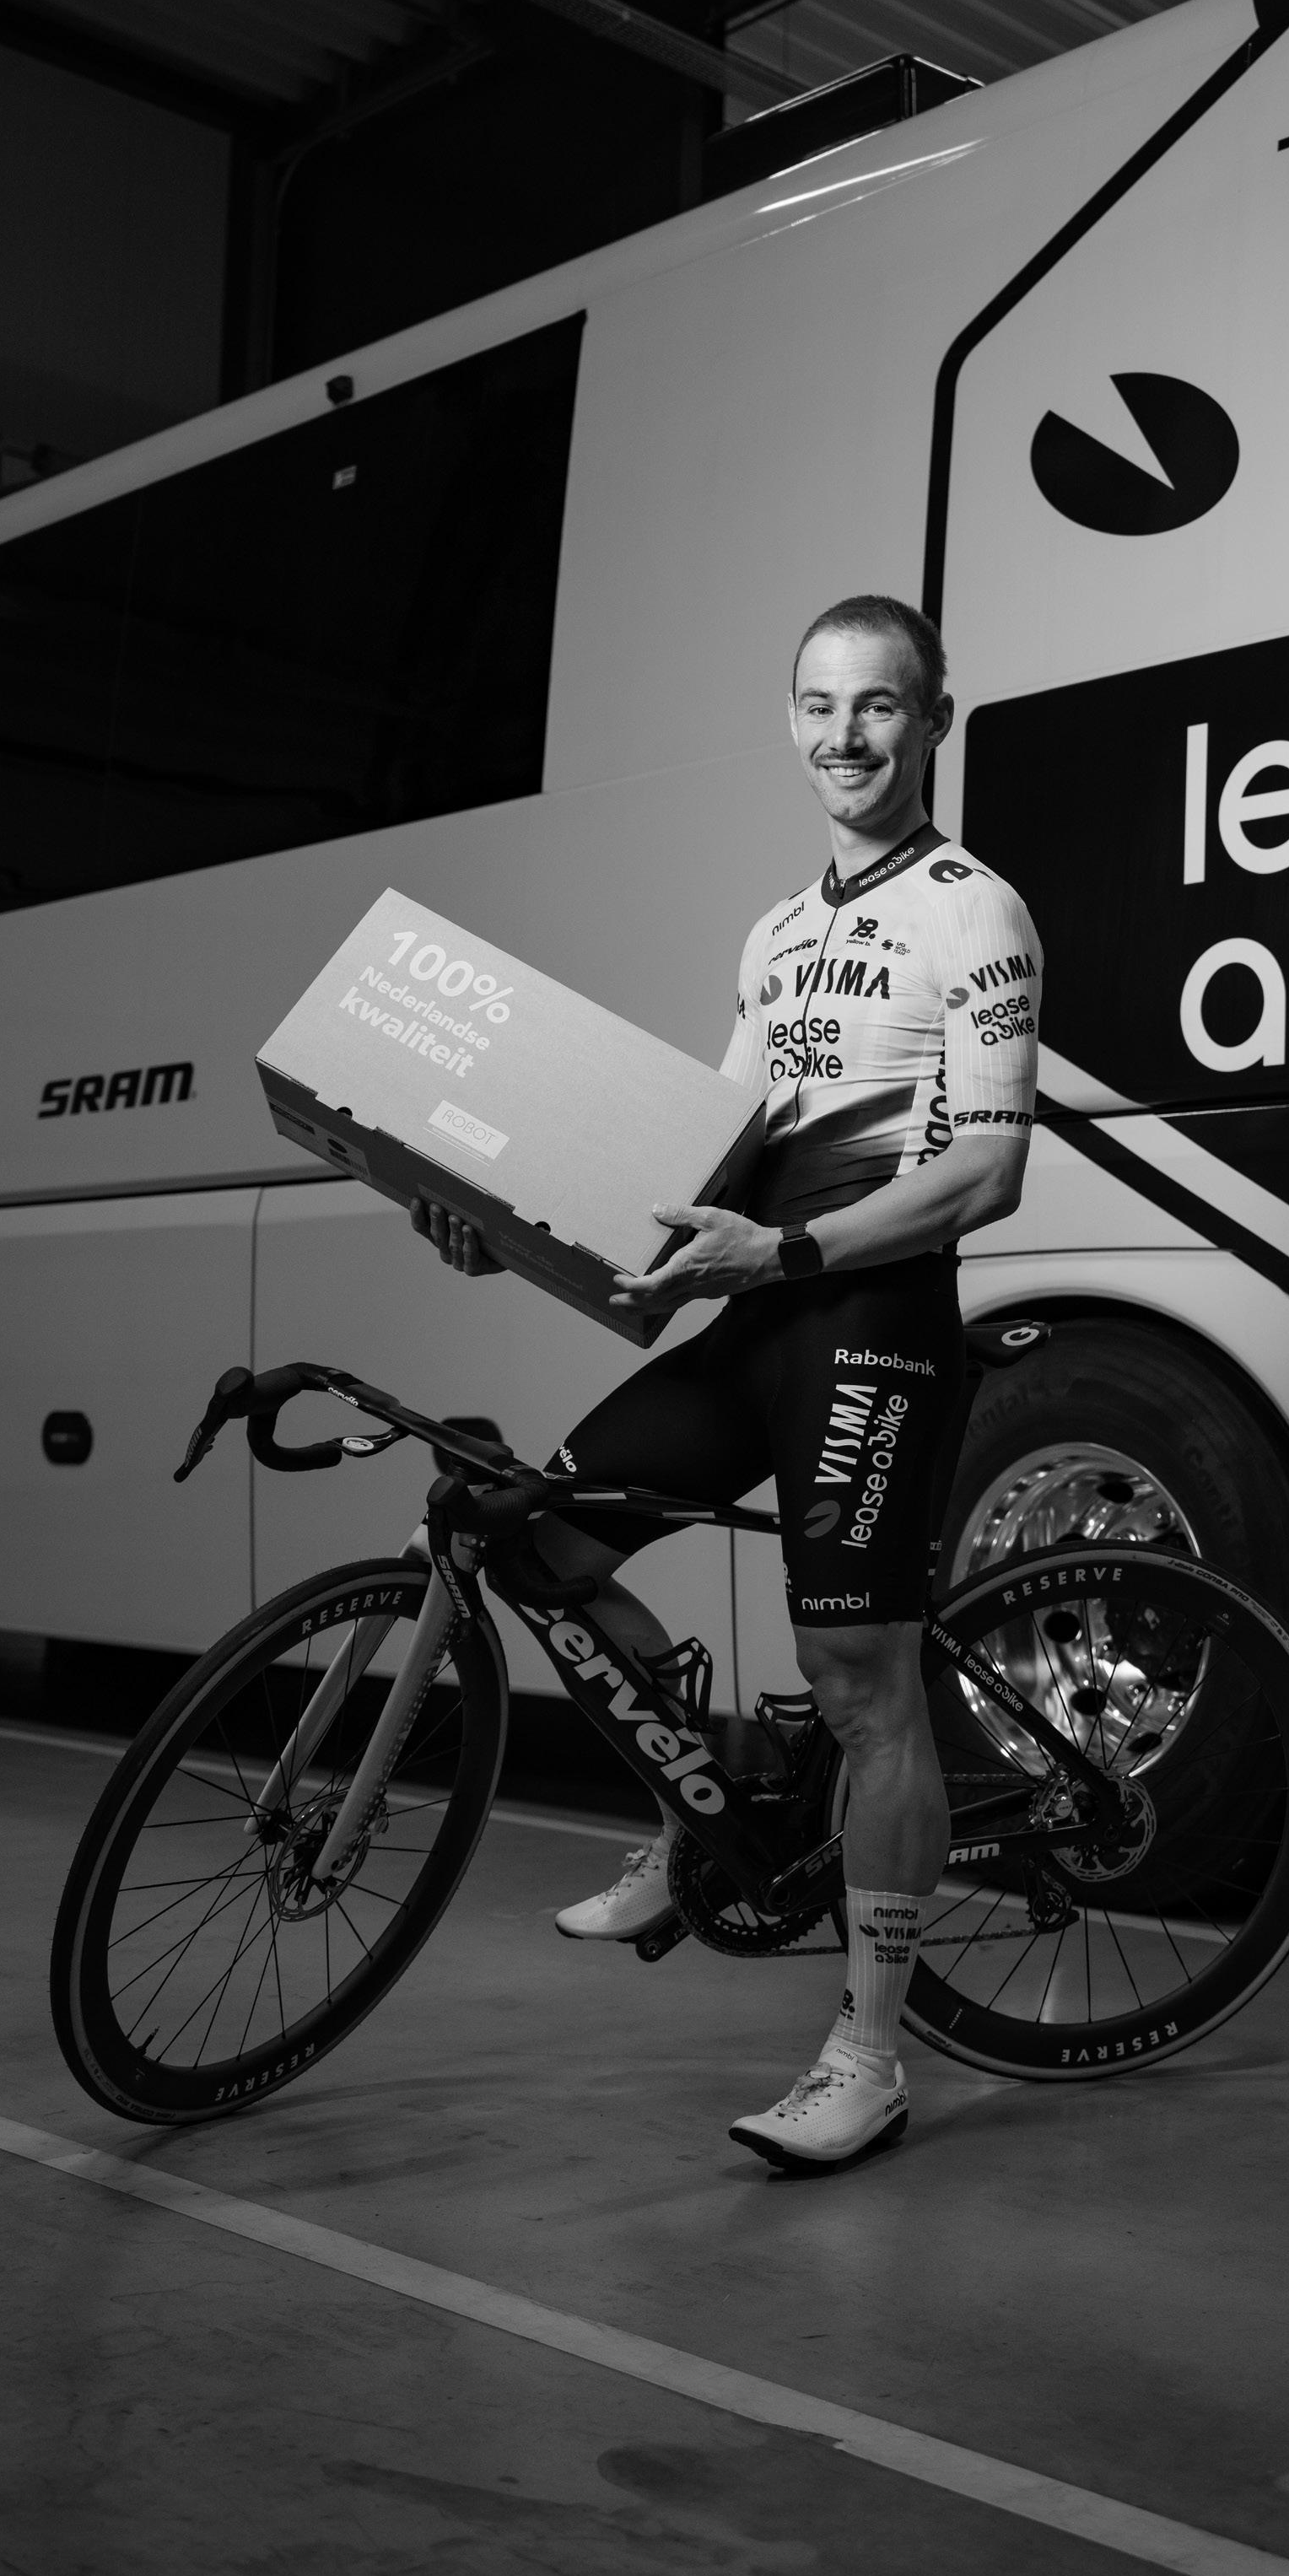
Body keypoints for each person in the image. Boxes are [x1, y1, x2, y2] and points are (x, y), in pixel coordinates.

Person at [411, 595, 1041, 2172]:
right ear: (790, 720)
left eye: (879, 704)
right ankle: (716, 1803)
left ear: (933, 719)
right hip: (762, 1318)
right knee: (540, 1535)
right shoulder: (774, 936)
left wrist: (788, 1252)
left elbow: (986, 1170)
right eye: (820, 705)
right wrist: (507, 1232)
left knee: (862, 1680)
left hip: (872, 1318)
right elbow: (702, 1165)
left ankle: (870, 2057)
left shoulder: (975, 912)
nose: (846, 734)